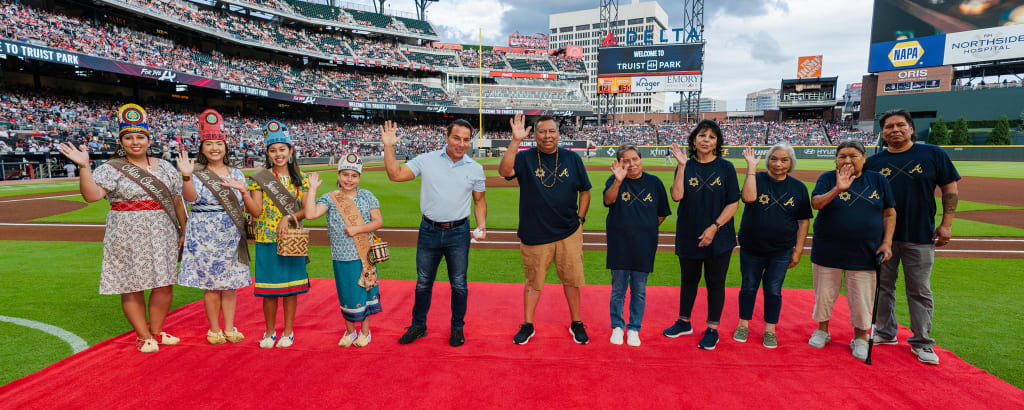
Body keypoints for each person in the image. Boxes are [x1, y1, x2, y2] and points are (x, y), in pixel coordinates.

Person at [57, 104, 187, 353]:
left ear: (149, 140)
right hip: (127, 232)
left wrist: (185, 230)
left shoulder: (166, 167)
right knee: (132, 283)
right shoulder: (111, 167)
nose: (135, 142)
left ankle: (157, 333)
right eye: (129, 138)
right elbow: (92, 196)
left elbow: (177, 200)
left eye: (140, 137)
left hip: (163, 230)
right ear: (121, 141)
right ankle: (142, 335)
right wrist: (85, 167)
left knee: (164, 282)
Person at [865, 109, 960, 365]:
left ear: (910, 128)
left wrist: (946, 224)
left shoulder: (932, 154)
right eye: (888, 127)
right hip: (883, 236)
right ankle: (885, 332)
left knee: (918, 289)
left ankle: (922, 341)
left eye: (900, 125)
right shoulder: (874, 162)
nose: (894, 130)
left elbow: (949, 188)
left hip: (919, 233)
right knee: (883, 287)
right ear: (882, 133)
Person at [381, 119, 487, 347]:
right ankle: (418, 325)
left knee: (459, 284)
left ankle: (457, 328)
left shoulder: (475, 168)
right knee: (423, 282)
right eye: (456, 138)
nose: (461, 143)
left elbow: (479, 201)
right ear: (446, 137)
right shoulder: (427, 160)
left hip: (459, 232)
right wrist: (389, 146)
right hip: (429, 230)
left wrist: (482, 224)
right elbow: (395, 175)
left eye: (466, 139)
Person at [500, 114, 591, 345]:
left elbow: (585, 190)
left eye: (552, 131)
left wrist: (581, 218)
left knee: (571, 281)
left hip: (569, 231)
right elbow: (504, 171)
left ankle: (577, 322)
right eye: (542, 132)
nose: (547, 136)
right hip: (535, 232)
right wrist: (515, 141)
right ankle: (528, 324)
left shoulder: (572, 158)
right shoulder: (525, 158)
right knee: (533, 283)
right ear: (535, 134)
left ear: (558, 134)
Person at [808, 140, 896, 361]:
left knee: (861, 298)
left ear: (864, 158)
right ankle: (822, 330)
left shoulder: (878, 180)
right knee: (824, 295)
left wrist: (887, 242)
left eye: (853, 155)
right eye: (842, 156)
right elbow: (816, 203)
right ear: (836, 160)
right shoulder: (827, 178)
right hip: (828, 249)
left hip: (865, 251)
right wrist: (838, 188)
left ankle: (860, 337)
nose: (847, 160)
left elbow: (889, 213)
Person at [176, 109, 252, 345]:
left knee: (230, 286)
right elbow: (190, 199)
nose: (214, 148)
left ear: (226, 147)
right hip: (204, 234)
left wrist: (244, 191)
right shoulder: (196, 172)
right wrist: (187, 178)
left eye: (219, 143)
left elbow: (245, 205)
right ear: (202, 149)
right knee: (211, 286)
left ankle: (229, 327)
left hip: (231, 233)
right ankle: (214, 329)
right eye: (209, 144)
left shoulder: (237, 172)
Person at [662, 120, 740, 350]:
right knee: (688, 280)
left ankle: (712, 329)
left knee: (716, 282)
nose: (706, 140)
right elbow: (676, 196)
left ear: (717, 143)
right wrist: (683, 167)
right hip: (689, 233)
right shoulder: (685, 165)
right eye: (702, 135)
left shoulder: (726, 167)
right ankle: (684, 321)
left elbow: (733, 203)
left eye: (712, 137)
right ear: (694, 140)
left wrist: (714, 227)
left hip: (720, 235)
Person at [734, 144, 812, 348]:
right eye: (774, 158)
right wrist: (751, 168)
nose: (778, 164)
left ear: (791, 163)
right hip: (752, 246)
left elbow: (803, 221)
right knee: (748, 287)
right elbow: (748, 198)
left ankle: (770, 329)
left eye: (784, 160)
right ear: (768, 160)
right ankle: (743, 325)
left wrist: (798, 250)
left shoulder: (799, 188)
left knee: (774, 290)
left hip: (781, 249)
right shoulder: (756, 179)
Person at [304, 153, 384, 347]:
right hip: (340, 255)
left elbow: (378, 222)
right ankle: (350, 331)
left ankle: (365, 331)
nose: (349, 179)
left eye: (354, 175)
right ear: (338, 175)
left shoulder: (367, 196)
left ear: (359, 177)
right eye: (345, 175)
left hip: (364, 254)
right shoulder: (330, 198)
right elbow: (311, 214)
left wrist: (358, 229)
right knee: (345, 292)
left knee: (365, 291)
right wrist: (312, 189)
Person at [243, 120, 309, 349]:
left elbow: (306, 212)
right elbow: (257, 211)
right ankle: (270, 332)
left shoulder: (302, 180)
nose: (278, 154)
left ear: (290, 151)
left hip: (291, 239)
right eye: (273, 150)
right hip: (266, 238)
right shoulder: (258, 178)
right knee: (269, 291)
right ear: (268, 153)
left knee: (291, 289)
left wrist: (288, 217)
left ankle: (288, 332)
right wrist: (244, 192)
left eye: (282, 149)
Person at [604, 144, 671, 347]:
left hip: (644, 244)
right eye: (626, 160)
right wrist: (618, 180)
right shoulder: (615, 180)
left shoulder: (654, 182)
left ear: (641, 159)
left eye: (635, 159)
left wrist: (645, 228)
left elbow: (661, 214)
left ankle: (634, 328)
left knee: (639, 290)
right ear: (620, 162)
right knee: (618, 289)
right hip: (619, 243)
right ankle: (617, 325)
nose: (631, 164)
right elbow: (608, 200)